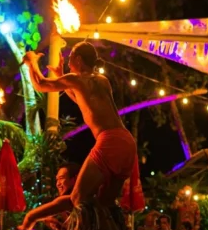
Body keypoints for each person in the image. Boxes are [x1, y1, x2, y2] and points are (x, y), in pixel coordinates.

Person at [22, 43, 137, 213]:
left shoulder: (75, 79)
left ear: (79, 59)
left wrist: (31, 63)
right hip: (127, 143)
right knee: (104, 205)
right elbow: (83, 102)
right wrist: (62, 76)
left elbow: (40, 84)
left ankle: (36, 219)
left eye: (70, 59)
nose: (68, 63)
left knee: (77, 198)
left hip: (109, 140)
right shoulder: (102, 80)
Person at [44, 162, 81, 230]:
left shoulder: (83, 203)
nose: (58, 184)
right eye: (57, 179)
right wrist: (57, 225)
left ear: (75, 179)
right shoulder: (66, 208)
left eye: (61, 178)